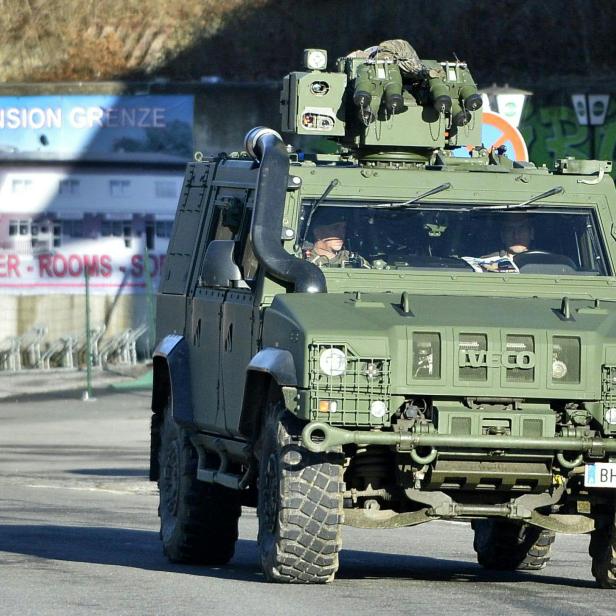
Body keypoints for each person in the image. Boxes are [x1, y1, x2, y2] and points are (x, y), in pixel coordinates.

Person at [302, 213, 369, 268]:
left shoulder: (353, 259)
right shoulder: (303, 259)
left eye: (343, 228)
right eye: (335, 228)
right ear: (317, 232)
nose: (341, 233)